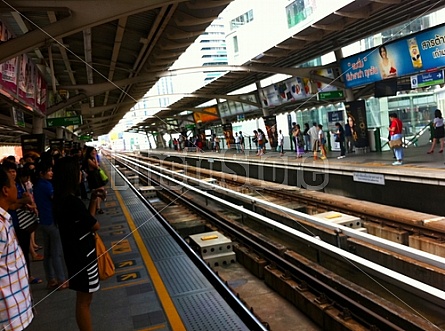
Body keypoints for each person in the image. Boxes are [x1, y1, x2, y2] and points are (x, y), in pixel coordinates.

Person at [53, 157, 106, 331]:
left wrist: (92, 200)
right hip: (83, 256)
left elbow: (86, 221)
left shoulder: (61, 200)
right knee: (84, 301)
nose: (81, 174)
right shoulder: (72, 202)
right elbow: (95, 225)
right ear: (70, 175)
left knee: (84, 299)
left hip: (74, 254)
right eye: (78, 171)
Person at [0, 167, 34, 331]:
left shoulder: (4, 220)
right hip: (7, 315)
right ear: (5, 191)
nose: (16, 187)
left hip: (15, 309)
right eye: (13, 183)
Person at [33, 161, 68, 290]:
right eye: (49, 170)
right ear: (42, 173)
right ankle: (62, 280)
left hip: (43, 222)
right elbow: (56, 199)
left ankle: (51, 279)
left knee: (47, 253)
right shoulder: (47, 186)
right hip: (52, 222)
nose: (51, 173)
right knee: (56, 253)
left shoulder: (37, 185)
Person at [84, 147, 104, 214]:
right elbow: (96, 166)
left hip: (96, 176)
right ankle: (97, 208)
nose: (94, 152)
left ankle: (97, 207)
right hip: (93, 177)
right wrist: (95, 158)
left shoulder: (91, 159)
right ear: (89, 152)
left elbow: (98, 165)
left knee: (99, 190)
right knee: (98, 191)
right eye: (93, 151)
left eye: (95, 151)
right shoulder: (89, 160)